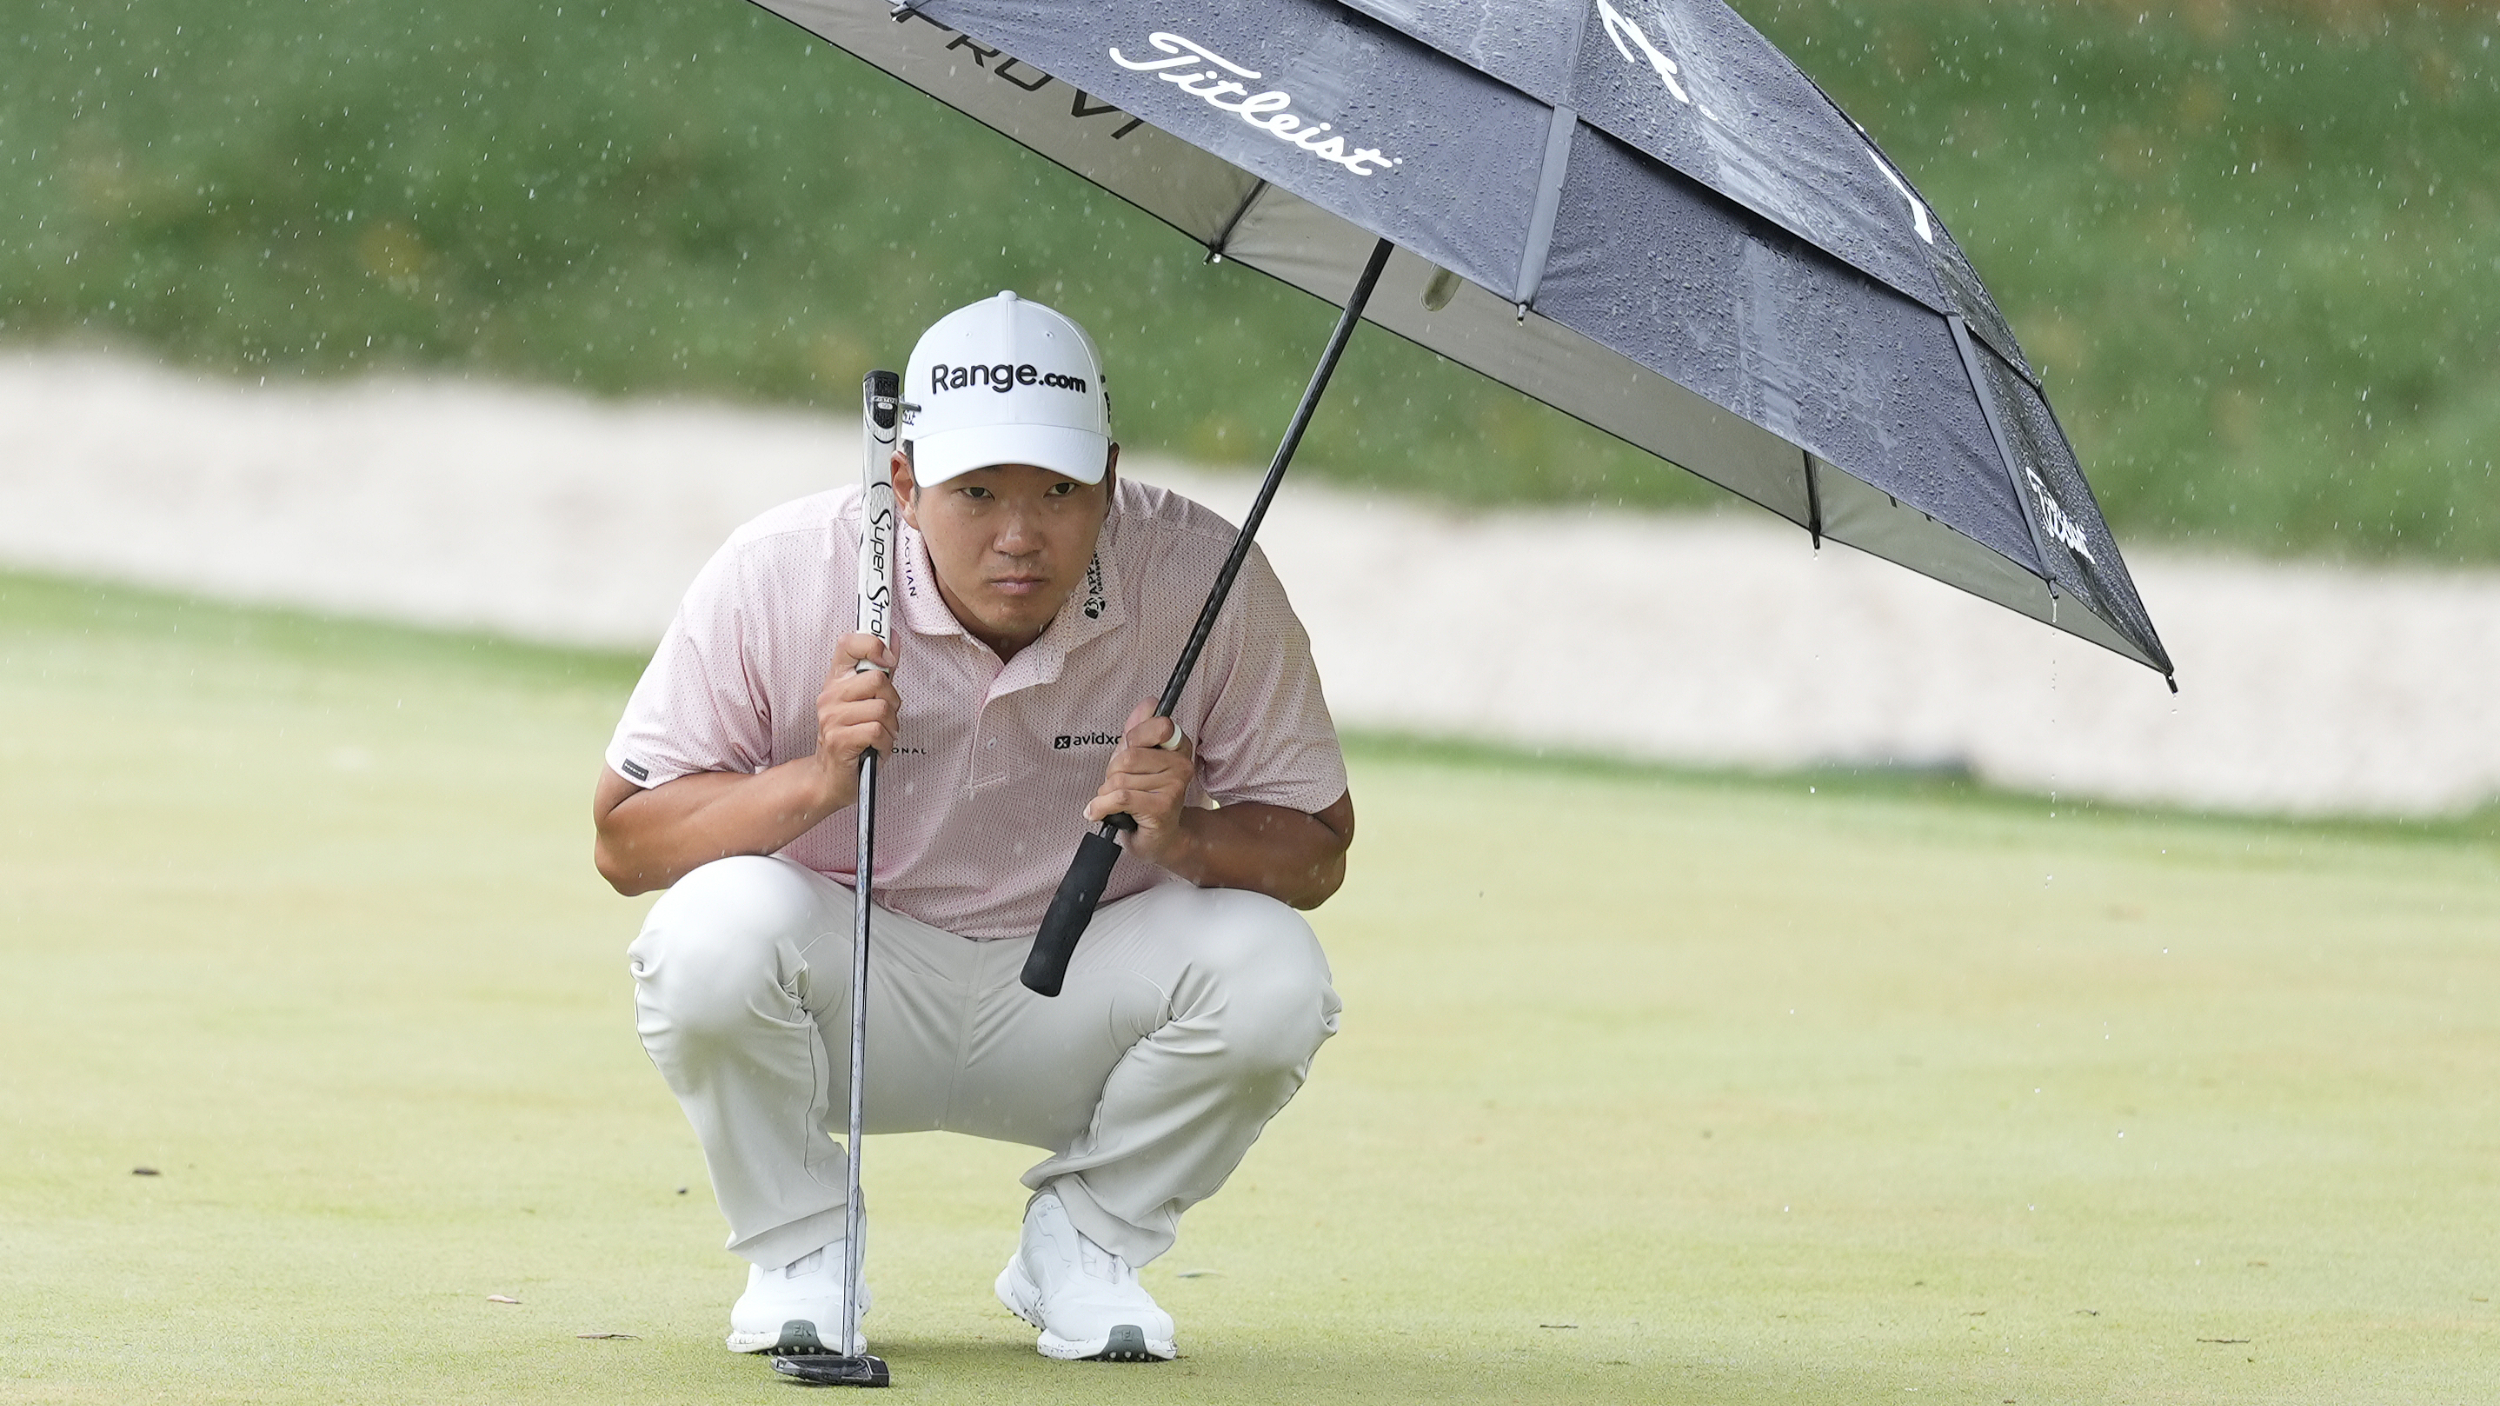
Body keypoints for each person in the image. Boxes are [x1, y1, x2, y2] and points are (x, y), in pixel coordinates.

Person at [591, 291, 1353, 1364]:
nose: (1019, 536)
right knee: (707, 931)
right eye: (977, 492)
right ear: (905, 485)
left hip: (1081, 986)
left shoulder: (1202, 575)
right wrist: (815, 781)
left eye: (1059, 491)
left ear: (1110, 476)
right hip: (852, 981)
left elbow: (1318, 848)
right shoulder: (783, 569)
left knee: (1275, 968)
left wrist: (1186, 837)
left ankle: (1087, 1243)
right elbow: (625, 841)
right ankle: (803, 1249)